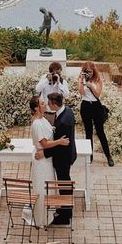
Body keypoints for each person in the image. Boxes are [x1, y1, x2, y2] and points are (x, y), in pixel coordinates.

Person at [23, 96, 70, 227]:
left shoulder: (42, 118)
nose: (45, 104)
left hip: (46, 159)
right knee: (43, 187)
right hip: (41, 160)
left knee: (48, 185)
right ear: (36, 108)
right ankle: (41, 217)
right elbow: (44, 143)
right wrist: (59, 141)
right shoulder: (37, 123)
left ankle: (48, 211)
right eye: (43, 103)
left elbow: (48, 131)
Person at [41, 92, 76, 225]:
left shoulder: (63, 122)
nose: (48, 105)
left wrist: (44, 154)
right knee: (65, 182)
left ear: (55, 104)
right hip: (68, 154)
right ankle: (66, 210)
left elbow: (59, 146)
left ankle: (65, 216)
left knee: (64, 184)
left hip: (63, 157)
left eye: (49, 103)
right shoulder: (67, 110)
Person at [78, 61, 114, 167]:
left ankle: (108, 156)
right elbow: (81, 92)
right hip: (85, 106)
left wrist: (91, 86)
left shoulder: (98, 79)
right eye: (87, 71)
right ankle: (90, 155)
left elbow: (98, 94)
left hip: (96, 106)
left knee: (100, 132)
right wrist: (81, 80)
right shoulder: (82, 79)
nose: (89, 73)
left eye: (90, 71)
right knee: (88, 132)